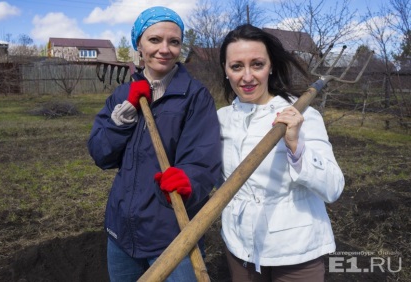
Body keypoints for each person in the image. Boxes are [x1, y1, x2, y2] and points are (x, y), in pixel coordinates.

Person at [87, 6, 221, 281]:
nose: (165, 49)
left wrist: (188, 180)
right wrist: (123, 118)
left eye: (174, 42)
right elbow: (101, 154)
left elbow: (204, 160)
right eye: (155, 40)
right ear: (139, 44)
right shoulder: (122, 95)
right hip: (122, 230)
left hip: (172, 230)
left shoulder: (195, 96)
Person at [217, 24, 345, 282]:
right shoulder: (221, 119)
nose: (248, 76)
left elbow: (333, 188)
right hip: (240, 247)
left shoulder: (302, 115)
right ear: (226, 71)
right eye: (237, 66)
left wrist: (296, 146)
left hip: (296, 252)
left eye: (257, 64)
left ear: (271, 66)